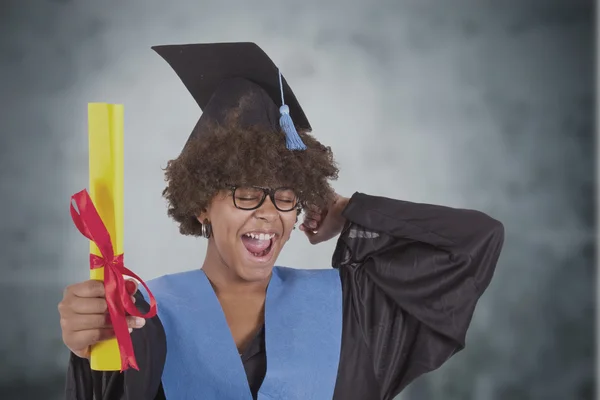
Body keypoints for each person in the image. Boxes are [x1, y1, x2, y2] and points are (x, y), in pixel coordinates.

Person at [59, 42, 505, 400]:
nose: (269, 212)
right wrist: (89, 347)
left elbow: (474, 241)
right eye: (246, 192)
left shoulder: (354, 309)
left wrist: (349, 209)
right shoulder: (144, 316)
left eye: (286, 196)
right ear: (200, 204)